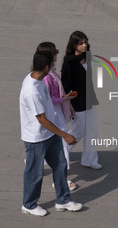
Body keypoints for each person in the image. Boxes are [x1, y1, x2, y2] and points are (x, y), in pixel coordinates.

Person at [19, 50, 83, 216]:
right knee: (35, 173)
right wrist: (64, 135)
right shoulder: (32, 90)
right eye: (53, 63)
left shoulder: (39, 79)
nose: (54, 65)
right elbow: (41, 119)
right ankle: (29, 204)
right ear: (47, 67)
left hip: (49, 133)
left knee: (60, 165)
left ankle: (63, 200)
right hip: (36, 137)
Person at [36, 42, 77, 191]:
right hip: (53, 115)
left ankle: (37, 162)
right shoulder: (47, 78)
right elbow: (49, 99)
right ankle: (61, 181)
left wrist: (68, 103)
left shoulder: (51, 71)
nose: (57, 56)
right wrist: (64, 99)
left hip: (57, 113)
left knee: (51, 146)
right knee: (62, 148)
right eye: (55, 54)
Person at [61, 31, 102, 170]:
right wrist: (69, 104)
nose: (85, 45)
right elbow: (65, 86)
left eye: (85, 42)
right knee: (78, 132)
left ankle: (89, 160)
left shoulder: (87, 56)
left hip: (90, 99)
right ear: (74, 45)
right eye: (81, 43)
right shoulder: (69, 63)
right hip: (77, 103)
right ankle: (55, 152)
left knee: (92, 131)